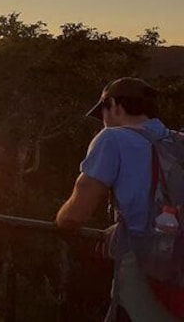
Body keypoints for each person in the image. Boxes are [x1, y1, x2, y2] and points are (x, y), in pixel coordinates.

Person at [56, 77, 179, 321]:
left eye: (102, 112)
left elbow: (76, 214)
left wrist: (60, 220)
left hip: (146, 263)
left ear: (113, 105)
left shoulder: (112, 139)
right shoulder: (177, 141)